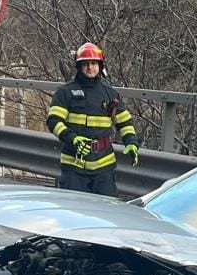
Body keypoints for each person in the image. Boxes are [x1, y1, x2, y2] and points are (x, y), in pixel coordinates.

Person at [44, 41, 139, 196]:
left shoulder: (110, 94)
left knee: (106, 212)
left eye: (94, 63)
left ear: (100, 66)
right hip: (74, 165)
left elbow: (125, 122)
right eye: (86, 64)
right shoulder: (65, 92)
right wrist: (73, 138)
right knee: (75, 212)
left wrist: (131, 143)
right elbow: (53, 121)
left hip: (104, 166)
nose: (90, 67)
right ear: (79, 66)